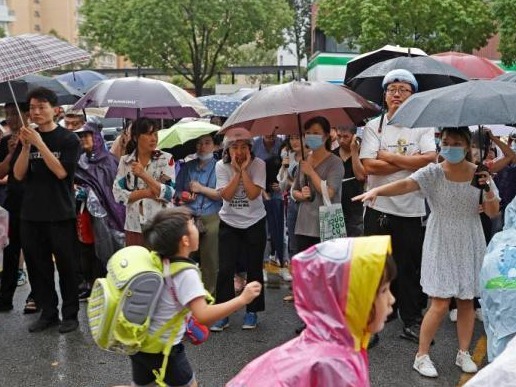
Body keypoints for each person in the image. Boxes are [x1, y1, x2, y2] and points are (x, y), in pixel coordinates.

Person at [354, 126, 500, 378]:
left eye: (456, 143)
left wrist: (487, 188)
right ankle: (421, 355)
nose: (450, 147)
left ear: (466, 146)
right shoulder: (433, 172)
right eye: (446, 142)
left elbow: (493, 212)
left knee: (466, 300)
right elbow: (405, 184)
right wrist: (377, 190)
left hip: (470, 238)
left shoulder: (480, 174)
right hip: (440, 238)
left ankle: (463, 352)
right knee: (441, 302)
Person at [227, 235, 396, 387]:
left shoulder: (324, 347)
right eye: (383, 291)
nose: (391, 299)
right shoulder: (334, 367)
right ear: (351, 298)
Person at [123, 207, 262, 387]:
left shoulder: (157, 259)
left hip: (141, 345)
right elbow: (202, 315)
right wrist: (242, 299)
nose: (198, 228)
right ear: (185, 240)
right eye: (193, 225)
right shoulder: (186, 273)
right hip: (166, 349)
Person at [359, 69, 436, 344]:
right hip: (378, 208)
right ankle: (372, 324)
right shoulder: (373, 126)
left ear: (413, 96)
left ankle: (412, 320)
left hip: (411, 209)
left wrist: (387, 156)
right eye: (392, 90)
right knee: (375, 269)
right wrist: (408, 160)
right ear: (385, 95)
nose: (397, 94)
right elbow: (369, 166)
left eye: (404, 90)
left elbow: (429, 159)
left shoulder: (423, 126)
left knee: (408, 268)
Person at [13, 87, 82, 333]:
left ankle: (70, 314)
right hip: (31, 213)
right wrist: (24, 147)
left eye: (42, 107)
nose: (36, 112)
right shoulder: (28, 137)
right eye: (32, 107)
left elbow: (62, 172)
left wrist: (39, 144)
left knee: (66, 266)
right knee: (37, 265)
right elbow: (19, 174)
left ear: (55, 110)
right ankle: (49, 312)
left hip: (60, 212)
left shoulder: (68, 139)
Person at [210, 128, 266, 331]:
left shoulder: (259, 165)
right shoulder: (220, 166)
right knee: (225, 269)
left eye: (244, 147)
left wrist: (244, 171)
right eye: (234, 147)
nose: (239, 151)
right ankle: (223, 313)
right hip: (229, 221)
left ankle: (252, 312)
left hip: (255, 220)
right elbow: (227, 195)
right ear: (227, 150)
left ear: (250, 149)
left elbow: (252, 194)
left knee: (254, 267)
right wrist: (237, 172)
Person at [74, 121, 126, 300]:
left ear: (96, 137)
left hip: (109, 214)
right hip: (85, 214)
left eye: (86, 135)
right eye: (81, 136)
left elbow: (113, 190)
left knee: (110, 247)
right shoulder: (80, 161)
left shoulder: (109, 161)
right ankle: (93, 286)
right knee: (87, 250)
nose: (83, 139)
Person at [113, 118, 175, 247]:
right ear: (136, 137)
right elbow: (118, 195)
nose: (153, 138)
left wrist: (143, 175)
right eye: (148, 134)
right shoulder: (126, 162)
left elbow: (168, 193)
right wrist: (147, 192)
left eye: (155, 134)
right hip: (133, 225)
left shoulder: (166, 159)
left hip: (160, 224)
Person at [0, 103, 38, 314]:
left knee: (34, 251)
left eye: (15, 113)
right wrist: (9, 153)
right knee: (10, 251)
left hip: (35, 201)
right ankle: (5, 296)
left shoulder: (38, 137)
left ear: (26, 114)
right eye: (7, 114)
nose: (11, 118)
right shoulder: (5, 141)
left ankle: (35, 296)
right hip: (13, 201)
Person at [175, 134, 222, 295]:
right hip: (189, 216)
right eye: (199, 143)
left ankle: (209, 296)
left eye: (207, 143)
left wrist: (201, 188)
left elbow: (221, 194)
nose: (202, 147)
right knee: (185, 258)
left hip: (211, 216)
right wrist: (184, 195)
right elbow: (177, 191)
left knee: (210, 260)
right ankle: (188, 295)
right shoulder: (188, 167)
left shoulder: (219, 167)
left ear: (215, 146)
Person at [291, 116, 344, 252]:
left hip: (326, 226)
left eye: (316, 133)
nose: (310, 136)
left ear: (326, 136)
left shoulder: (335, 162)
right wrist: (301, 196)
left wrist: (311, 172)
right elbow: (294, 190)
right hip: (303, 226)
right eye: (308, 133)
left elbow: (330, 192)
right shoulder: (304, 159)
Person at [333, 126, 366, 236]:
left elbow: (360, 176)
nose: (341, 140)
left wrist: (354, 152)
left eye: (346, 137)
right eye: (339, 136)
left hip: (356, 211)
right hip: (335, 210)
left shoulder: (363, 153)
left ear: (353, 136)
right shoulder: (332, 155)